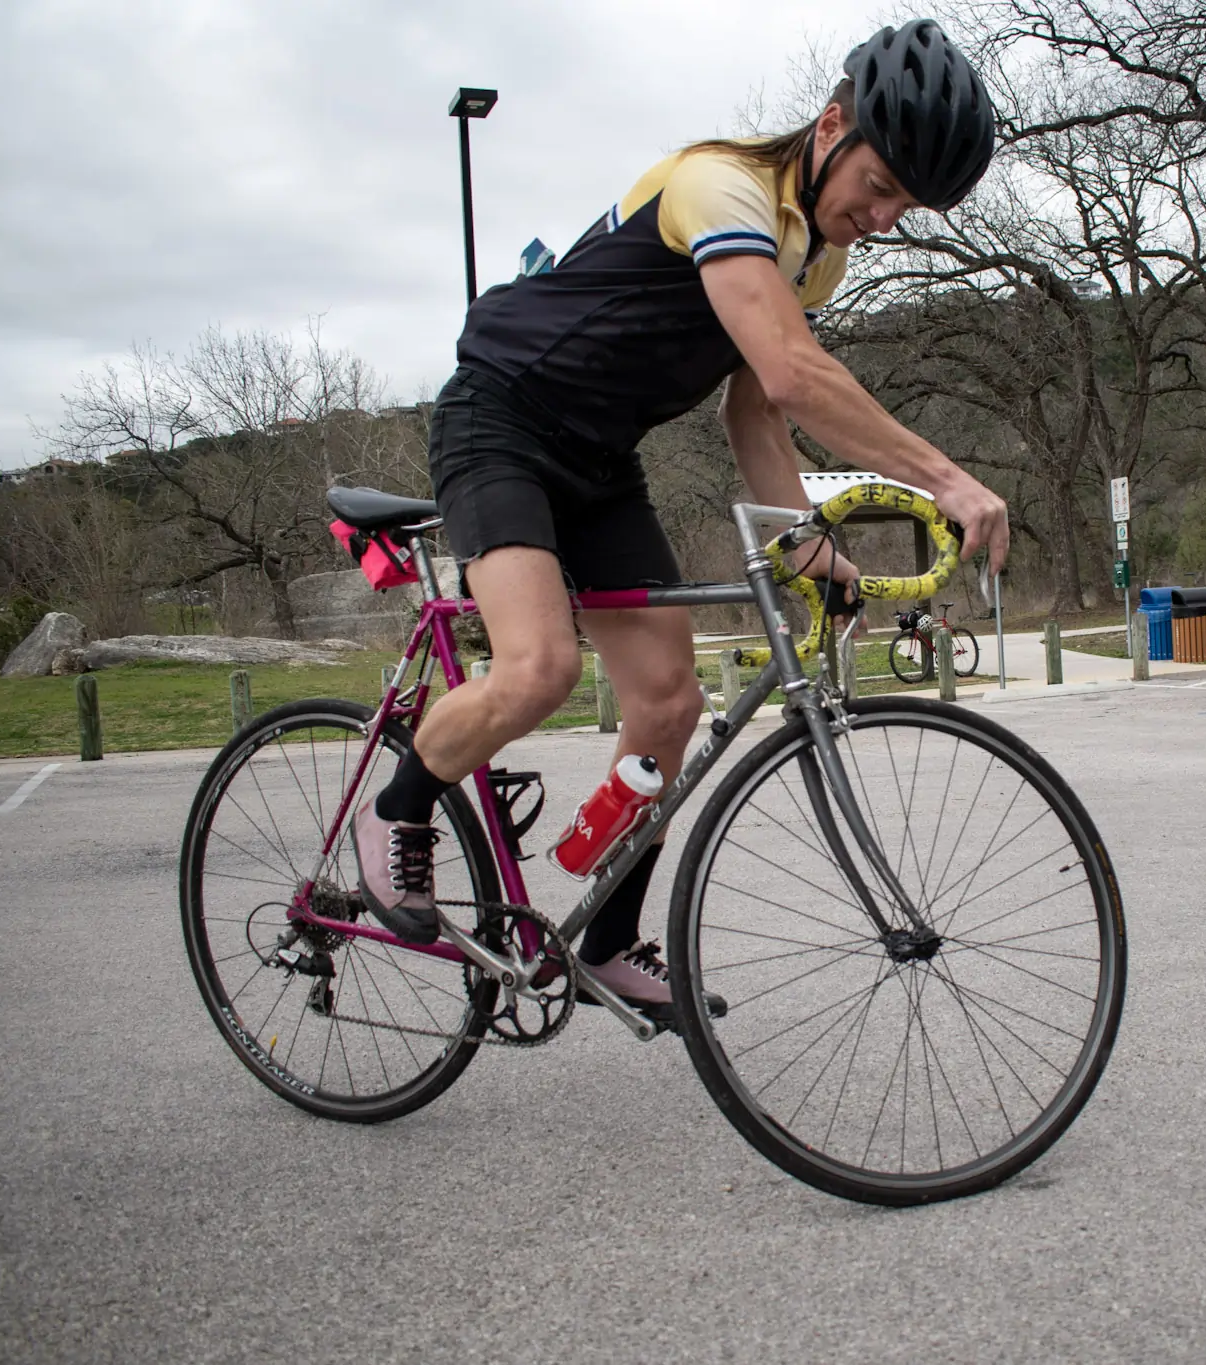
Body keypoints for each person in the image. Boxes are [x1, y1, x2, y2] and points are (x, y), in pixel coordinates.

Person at [352, 20, 1010, 1009]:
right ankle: (397, 813)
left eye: (903, 206)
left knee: (666, 705)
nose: (882, 216)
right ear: (830, 124)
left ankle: (603, 944)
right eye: (878, 187)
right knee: (539, 669)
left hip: (598, 459)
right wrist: (944, 480)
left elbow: (753, 407)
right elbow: (793, 375)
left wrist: (805, 547)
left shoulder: (811, 258)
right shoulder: (717, 185)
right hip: (500, 420)